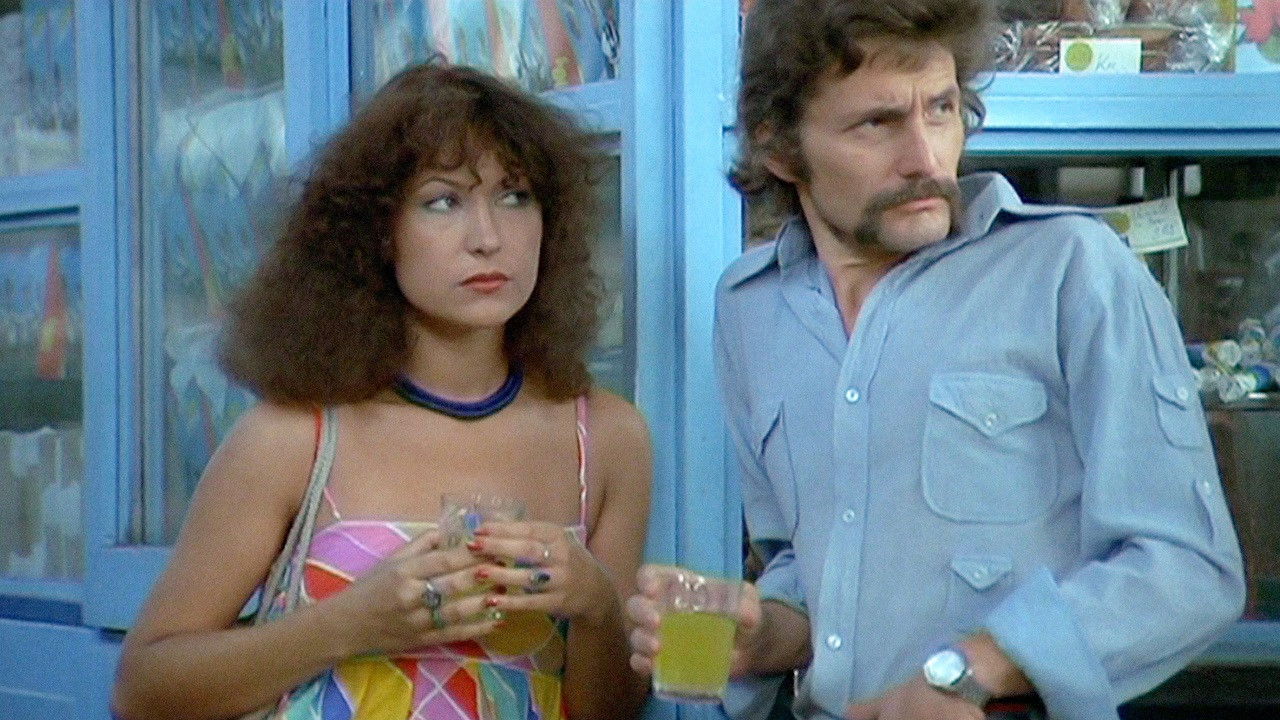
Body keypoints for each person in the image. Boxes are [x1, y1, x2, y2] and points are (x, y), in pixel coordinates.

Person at [626, 1, 1246, 719]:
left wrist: (974, 668)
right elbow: (815, 566)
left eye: (942, 109)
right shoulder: (751, 307)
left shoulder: (1071, 269)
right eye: (878, 123)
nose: (925, 159)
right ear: (780, 149)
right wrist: (765, 635)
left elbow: (1187, 567)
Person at [112, 62, 652, 720]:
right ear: (377, 234)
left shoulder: (606, 438)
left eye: (515, 196)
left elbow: (609, 713)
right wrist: (352, 624)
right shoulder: (294, 436)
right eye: (443, 201)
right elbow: (143, 689)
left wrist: (595, 603)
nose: (489, 239)